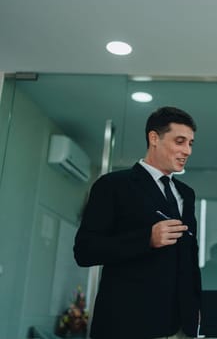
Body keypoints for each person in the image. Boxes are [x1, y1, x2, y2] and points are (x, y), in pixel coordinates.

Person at [74, 106, 201, 339]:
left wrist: (195, 311)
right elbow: (84, 250)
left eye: (191, 143)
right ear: (154, 138)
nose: (187, 150)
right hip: (128, 325)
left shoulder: (187, 194)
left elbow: (189, 257)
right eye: (180, 141)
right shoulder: (112, 185)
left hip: (180, 328)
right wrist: (147, 239)